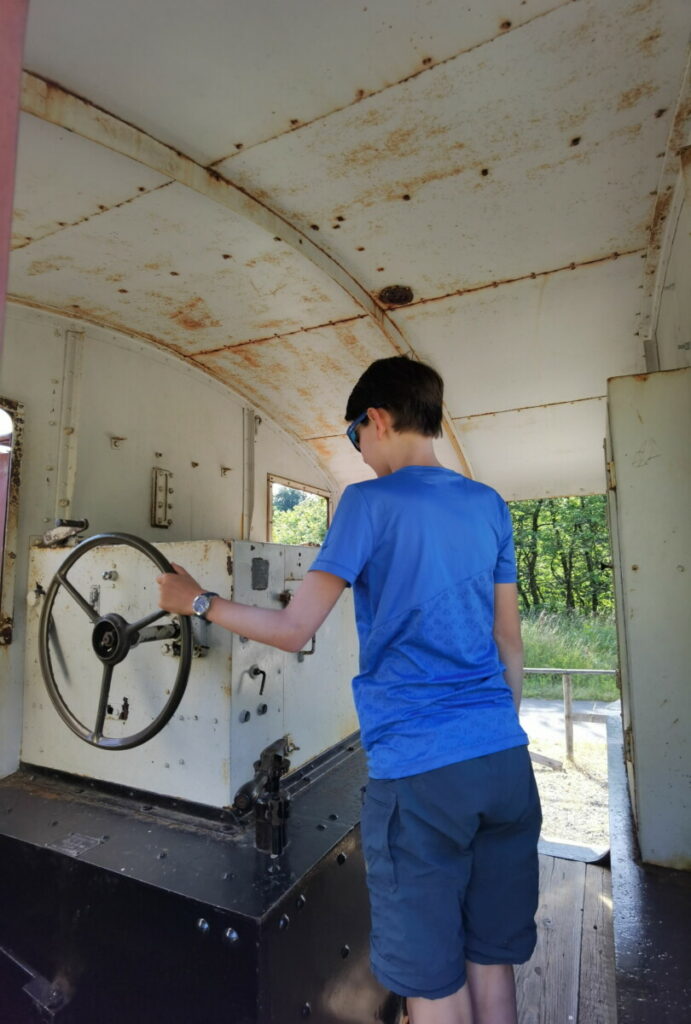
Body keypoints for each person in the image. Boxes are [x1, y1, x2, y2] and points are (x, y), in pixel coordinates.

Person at [157, 355, 541, 1024]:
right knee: (490, 959)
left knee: (430, 977)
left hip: (421, 774)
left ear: (378, 419)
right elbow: (509, 642)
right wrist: (488, 733)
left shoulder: (368, 503)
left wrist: (197, 601)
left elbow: (291, 627)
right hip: (504, 763)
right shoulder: (488, 505)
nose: (357, 453)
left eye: (351, 435)